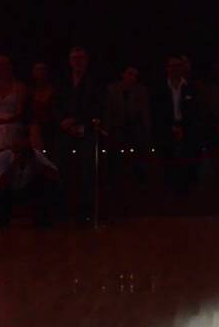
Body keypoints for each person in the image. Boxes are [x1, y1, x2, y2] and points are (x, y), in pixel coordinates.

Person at [55, 47, 103, 224]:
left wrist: (76, 120)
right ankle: (63, 209)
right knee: (61, 166)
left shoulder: (94, 82)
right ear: (70, 61)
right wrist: (63, 121)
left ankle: (85, 211)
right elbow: (56, 105)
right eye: (74, 58)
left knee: (87, 170)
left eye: (81, 58)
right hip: (64, 131)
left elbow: (97, 106)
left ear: (86, 60)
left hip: (87, 129)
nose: (78, 62)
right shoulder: (62, 82)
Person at [0, 126, 62, 229]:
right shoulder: (3, 156)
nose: (20, 143)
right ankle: (3, 221)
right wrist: (15, 163)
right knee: (2, 193)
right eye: (17, 140)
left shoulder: (35, 155)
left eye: (23, 140)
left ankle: (42, 219)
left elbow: (55, 175)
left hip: (28, 190)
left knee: (45, 184)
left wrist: (34, 163)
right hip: (8, 190)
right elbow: (1, 184)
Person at [152, 54, 200, 194]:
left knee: (187, 163)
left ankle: (186, 193)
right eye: (172, 66)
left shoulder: (190, 87)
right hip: (166, 128)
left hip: (187, 129)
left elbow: (195, 111)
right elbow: (157, 111)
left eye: (178, 66)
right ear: (167, 68)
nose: (175, 69)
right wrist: (170, 127)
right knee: (168, 163)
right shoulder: (160, 88)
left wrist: (184, 128)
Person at [104, 65, 152, 180]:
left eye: (135, 75)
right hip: (116, 129)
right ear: (123, 74)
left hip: (135, 129)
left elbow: (145, 112)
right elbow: (107, 111)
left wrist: (147, 131)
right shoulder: (112, 90)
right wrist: (107, 130)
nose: (132, 78)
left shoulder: (141, 90)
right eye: (130, 74)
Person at [27, 61, 57, 153]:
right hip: (34, 125)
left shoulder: (55, 90)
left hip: (52, 123)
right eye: (38, 69)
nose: (41, 72)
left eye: (43, 69)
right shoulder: (29, 91)